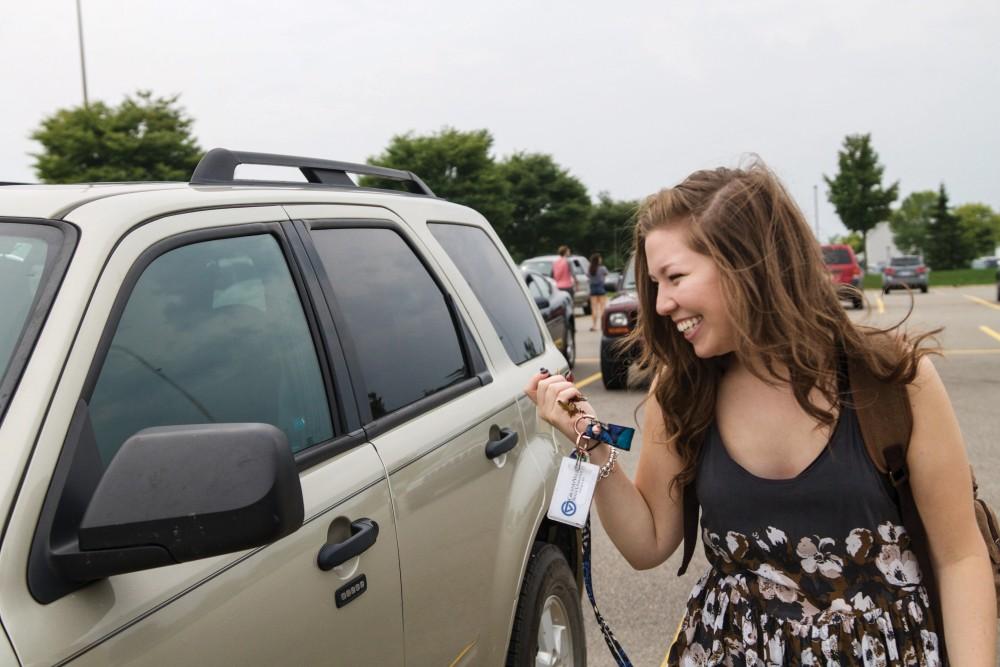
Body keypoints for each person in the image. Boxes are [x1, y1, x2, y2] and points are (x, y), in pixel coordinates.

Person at [525, 162, 995, 665]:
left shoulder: (894, 379)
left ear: (747, 264)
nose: (660, 304)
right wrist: (591, 442)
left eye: (675, 277)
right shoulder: (682, 390)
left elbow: (960, 557)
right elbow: (648, 544)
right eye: (654, 283)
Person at [588, 253, 609, 331]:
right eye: (600, 258)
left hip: (593, 289)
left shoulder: (590, 269)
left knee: (594, 308)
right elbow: (607, 274)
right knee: (602, 308)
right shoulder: (602, 268)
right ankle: (603, 325)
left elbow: (588, 277)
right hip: (601, 288)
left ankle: (594, 326)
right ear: (597, 260)